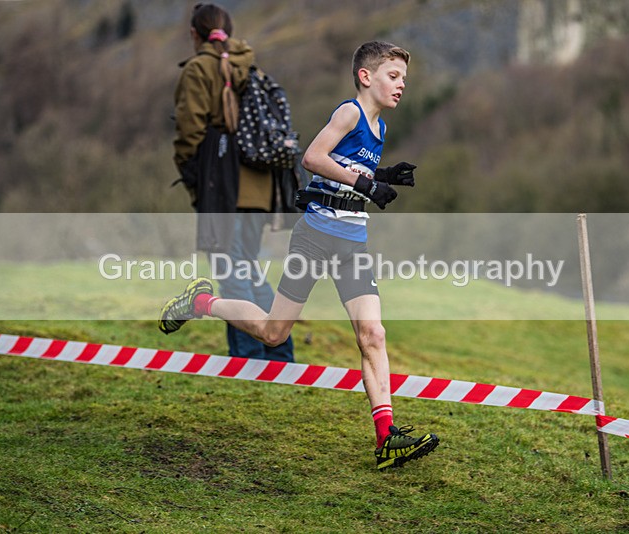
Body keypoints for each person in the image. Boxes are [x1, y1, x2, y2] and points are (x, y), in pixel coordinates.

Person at [160, 41, 438, 470]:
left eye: (404, 79)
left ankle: (386, 439)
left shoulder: (380, 128)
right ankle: (202, 303)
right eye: (393, 76)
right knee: (273, 332)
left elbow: (343, 169)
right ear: (366, 77)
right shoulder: (349, 112)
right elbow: (313, 158)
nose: (401, 86)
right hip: (315, 237)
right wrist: (366, 185)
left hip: (353, 241)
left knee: (373, 334)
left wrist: (382, 175)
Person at [171, 3, 294, 362]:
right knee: (248, 267)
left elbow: (188, 134)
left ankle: (254, 359)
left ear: (195, 34)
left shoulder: (200, 69)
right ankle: (279, 353)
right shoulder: (250, 67)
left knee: (233, 272)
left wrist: (194, 181)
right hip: (258, 188)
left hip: (222, 188)